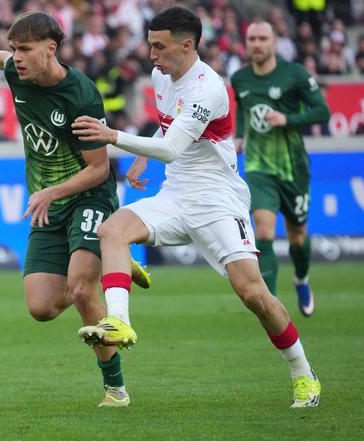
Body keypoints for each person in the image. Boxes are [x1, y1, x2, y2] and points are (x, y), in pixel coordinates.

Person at [71, 7, 320, 408]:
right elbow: (170, 127)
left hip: (218, 200)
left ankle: (303, 372)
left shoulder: (209, 87)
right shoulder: (162, 76)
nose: (151, 54)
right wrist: (143, 155)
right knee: (111, 230)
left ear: (187, 45)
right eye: (150, 44)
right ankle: (119, 321)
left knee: (253, 294)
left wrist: (113, 136)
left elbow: (172, 147)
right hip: (175, 194)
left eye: (159, 46)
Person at [0, 11, 151, 408]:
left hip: (88, 197)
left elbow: (99, 169)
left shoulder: (80, 95)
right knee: (41, 308)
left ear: (51, 49)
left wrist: (51, 192)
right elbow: (2, 59)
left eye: (25, 49)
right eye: (14, 49)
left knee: (81, 289)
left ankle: (115, 389)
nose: (17, 57)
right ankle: (112, 257)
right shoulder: (16, 70)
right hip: (49, 202)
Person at [231, 21, 331, 317]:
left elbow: (322, 111)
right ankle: (271, 305)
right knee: (263, 228)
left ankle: (301, 277)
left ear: (274, 43)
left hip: (293, 167)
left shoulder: (294, 74)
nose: (257, 44)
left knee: (297, 233)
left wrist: (288, 119)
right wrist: (240, 135)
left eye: (263, 38)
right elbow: (242, 107)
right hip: (258, 167)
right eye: (252, 39)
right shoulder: (240, 78)